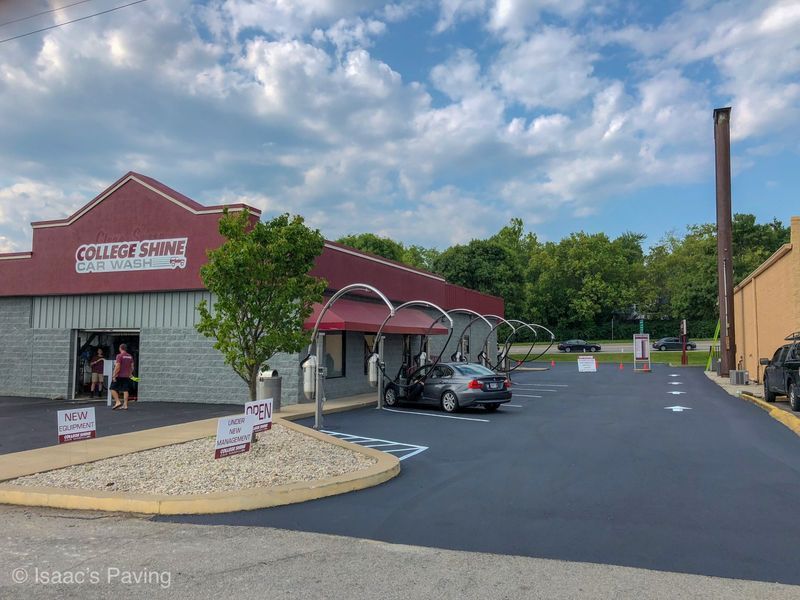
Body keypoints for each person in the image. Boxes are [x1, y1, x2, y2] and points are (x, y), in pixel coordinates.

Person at [111, 343, 135, 410]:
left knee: (112, 388)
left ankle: (118, 402)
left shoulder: (119, 356)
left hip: (119, 375)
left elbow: (118, 366)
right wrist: (130, 373)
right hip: (127, 376)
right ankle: (125, 405)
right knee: (125, 390)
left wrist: (114, 375)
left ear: (120, 348)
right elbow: (132, 367)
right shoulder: (130, 356)